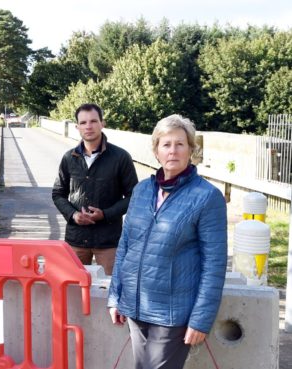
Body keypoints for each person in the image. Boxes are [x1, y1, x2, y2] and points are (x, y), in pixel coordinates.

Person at [107, 114, 228, 369]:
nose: (173, 151)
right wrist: (116, 296)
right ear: (156, 151)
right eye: (166, 144)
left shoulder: (207, 197)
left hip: (172, 314)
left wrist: (201, 319)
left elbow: (214, 265)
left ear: (191, 150)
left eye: (180, 144)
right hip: (135, 307)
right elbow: (125, 246)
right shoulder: (141, 191)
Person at [52, 103, 138, 274]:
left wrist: (105, 215)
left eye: (93, 121)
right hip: (76, 239)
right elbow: (58, 194)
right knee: (73, 290)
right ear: (77, 127)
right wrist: (73, 215)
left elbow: (134, 196)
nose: (88, 126)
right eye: (83, 123)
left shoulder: (120, 157)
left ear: (102, 123)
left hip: (108, 241)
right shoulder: (69, 157)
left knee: (109, 293)